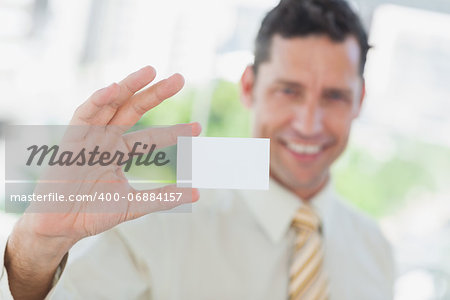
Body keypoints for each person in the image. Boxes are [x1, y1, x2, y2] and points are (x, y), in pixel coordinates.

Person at [0, 0, 395, 299]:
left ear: (360, 100)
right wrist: (37, 242)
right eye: (288, 91)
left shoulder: (376, 250)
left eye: (335, 96)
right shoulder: (158, 225)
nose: (309, 123)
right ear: (247, 87)